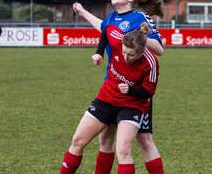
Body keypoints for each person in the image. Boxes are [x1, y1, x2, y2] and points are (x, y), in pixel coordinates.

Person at [72, 0, 165, 174]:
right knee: (105, 141)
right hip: (112, 86)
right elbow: (104, 29)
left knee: (144, 141)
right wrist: (83, 12)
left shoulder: (139, 18)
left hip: (136, 92)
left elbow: (160, 49)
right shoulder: (112, 17)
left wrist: (139, 38)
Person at [60, 28, 160, 174]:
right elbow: (106, 29)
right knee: (77, 141)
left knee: (123, 151)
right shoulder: (117, 40)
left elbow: (149, 92)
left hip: (131, 106)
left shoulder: (151, 63)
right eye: (124, 52)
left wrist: (130, 90)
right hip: (106, 99)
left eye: (131, 55)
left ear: (142, 51)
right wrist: (99, 52)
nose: (126, 57)